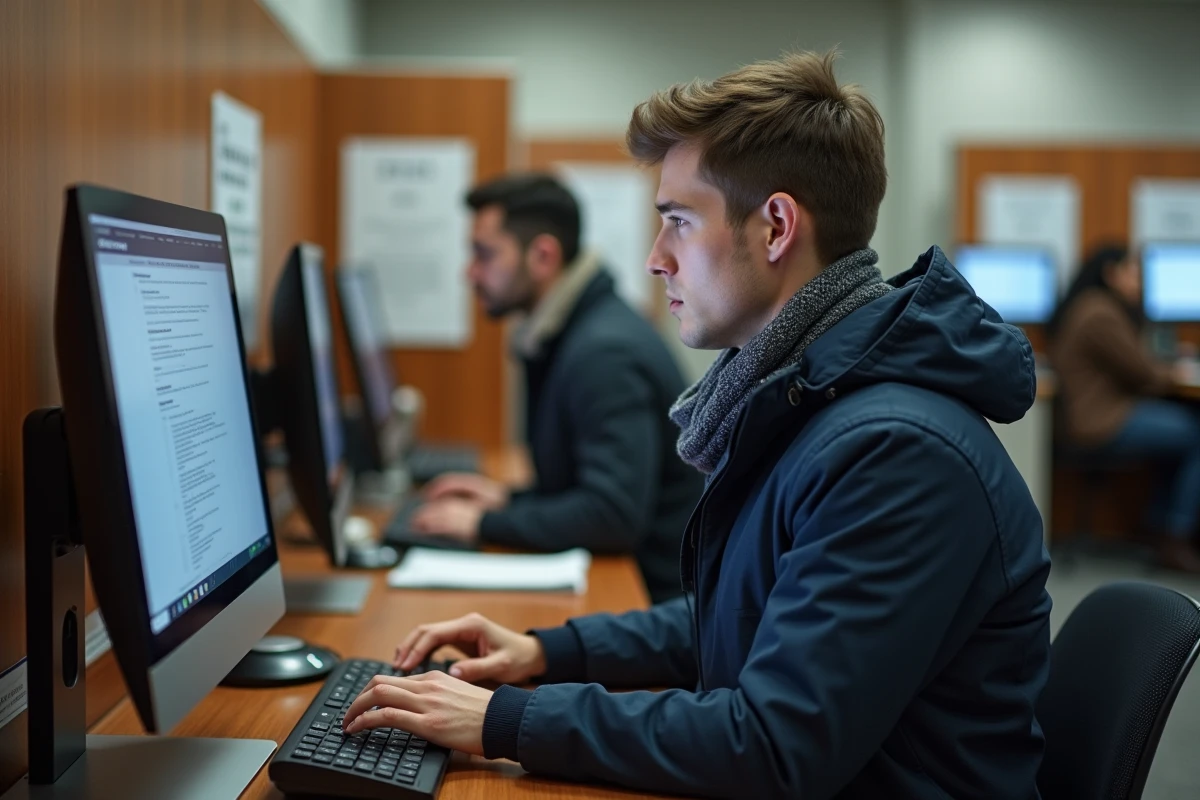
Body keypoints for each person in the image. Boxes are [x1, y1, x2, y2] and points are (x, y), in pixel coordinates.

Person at [342, 51, 1052, 798]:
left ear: (776, 227)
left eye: (678, 222)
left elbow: (774, 747)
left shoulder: (894, 452)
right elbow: (738, 617)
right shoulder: (808, 399)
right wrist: (547, 651)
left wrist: (506, 719)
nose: (655, 260)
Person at [407, 173, 703, 603]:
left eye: (484, 254)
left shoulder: (603, 353)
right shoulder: (573, 331)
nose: (469, 272)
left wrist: (482, 524)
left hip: (649, 603)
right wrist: (508, 501)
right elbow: (583, 485)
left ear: (543, 256)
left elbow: (611, 515)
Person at [1049, 244, 1200, 571]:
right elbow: (1142, 372)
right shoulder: (1101, 312)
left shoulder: (1089, 306)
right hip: (1101, 423)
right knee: (1194, 434)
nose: (1140, 282)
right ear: (1112, 274)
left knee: (1178, 433)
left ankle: (1160, 528)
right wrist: (1176, 370)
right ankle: (1174, 536)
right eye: (1133, 272)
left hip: (1092, 416)